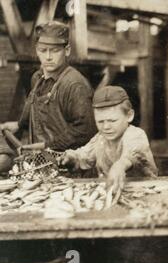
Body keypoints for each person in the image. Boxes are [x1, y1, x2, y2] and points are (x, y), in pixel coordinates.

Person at [0, 21, 96, 172]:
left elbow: (85, 131)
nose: (48, 57)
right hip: (41, 166)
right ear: (37, 51)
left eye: (55, 50)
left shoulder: (75, 85)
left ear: (67, 50)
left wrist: (46, 146)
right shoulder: (37, 78)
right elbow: (34, 104)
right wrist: (19, 124)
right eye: (43, 50)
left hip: (69, 169)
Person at [59, 86, 158, 193]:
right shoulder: (100, 139)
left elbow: (133, 154)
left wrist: (119, 166)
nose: (106, 127)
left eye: (112, 120)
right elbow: (84, 155)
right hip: (111, 191)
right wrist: (72, 157)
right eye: (100, 121)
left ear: (129, 116)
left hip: (144, 191)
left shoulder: (135, 134)